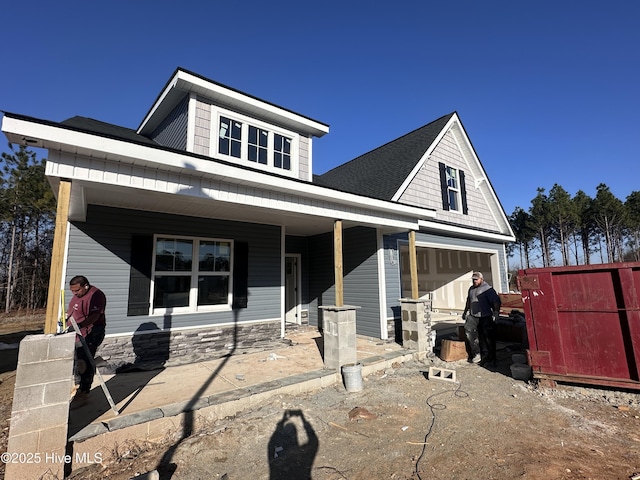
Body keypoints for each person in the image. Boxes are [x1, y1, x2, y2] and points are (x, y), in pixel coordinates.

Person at [66, 275, 107, 406]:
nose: (74, 293)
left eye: (77, 290)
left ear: (86, 286)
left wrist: (80, 326)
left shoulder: (96, 295)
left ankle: (84, 393)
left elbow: (95, 316)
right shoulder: (78, 295)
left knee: (85, 362)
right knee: (77, 361)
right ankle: (78, 387)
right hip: (76, 333)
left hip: (91, 333)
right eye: (72, 291)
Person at [462, 271, 501, 368]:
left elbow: (496, 301)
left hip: (485, 316)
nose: (474, 281)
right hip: (473, 316)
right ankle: (478, 354)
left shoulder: (488, 289)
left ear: (481, 279)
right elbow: (469, 300)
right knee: (469, 332)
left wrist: (496, 313)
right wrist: (465, 311)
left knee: (487, 337)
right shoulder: (471, 289)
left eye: (476, 279)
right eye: (473, 279)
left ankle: (491, 358)